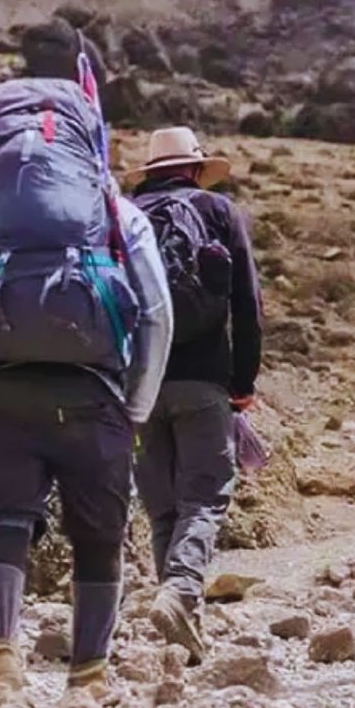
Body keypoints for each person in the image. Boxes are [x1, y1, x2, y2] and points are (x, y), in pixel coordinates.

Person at [0, 22, 171, 695]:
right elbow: (155, 308)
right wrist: (135, 406)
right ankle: (89, 671)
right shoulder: (108, 205)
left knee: (5, 520)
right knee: (98, 535)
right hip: (93, 391)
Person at [127, 126, 262, 664]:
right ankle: (182, 590)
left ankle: (181, 621)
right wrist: (243, 383)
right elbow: (246, 303)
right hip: (204, 378)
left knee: (163, 506)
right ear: (195, 167)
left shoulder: (122, 216)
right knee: (205, 496)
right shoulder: (218, 211)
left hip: (138, 381)